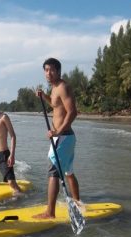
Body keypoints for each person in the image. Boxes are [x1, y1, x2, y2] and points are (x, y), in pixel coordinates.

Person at [33, 57, 82, 219]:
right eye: (46, 70)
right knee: (68, 171)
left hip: (63, 136)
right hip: (63, 137)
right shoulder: (54, 88)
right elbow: (56, 106)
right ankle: (78, 203)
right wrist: (44, 96)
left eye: (52, 70)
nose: (49, 73)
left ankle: (50, 212)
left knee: (53, 171)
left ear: (59, 71)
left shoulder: (63, 87)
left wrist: (58, 131)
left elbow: (72, 112)